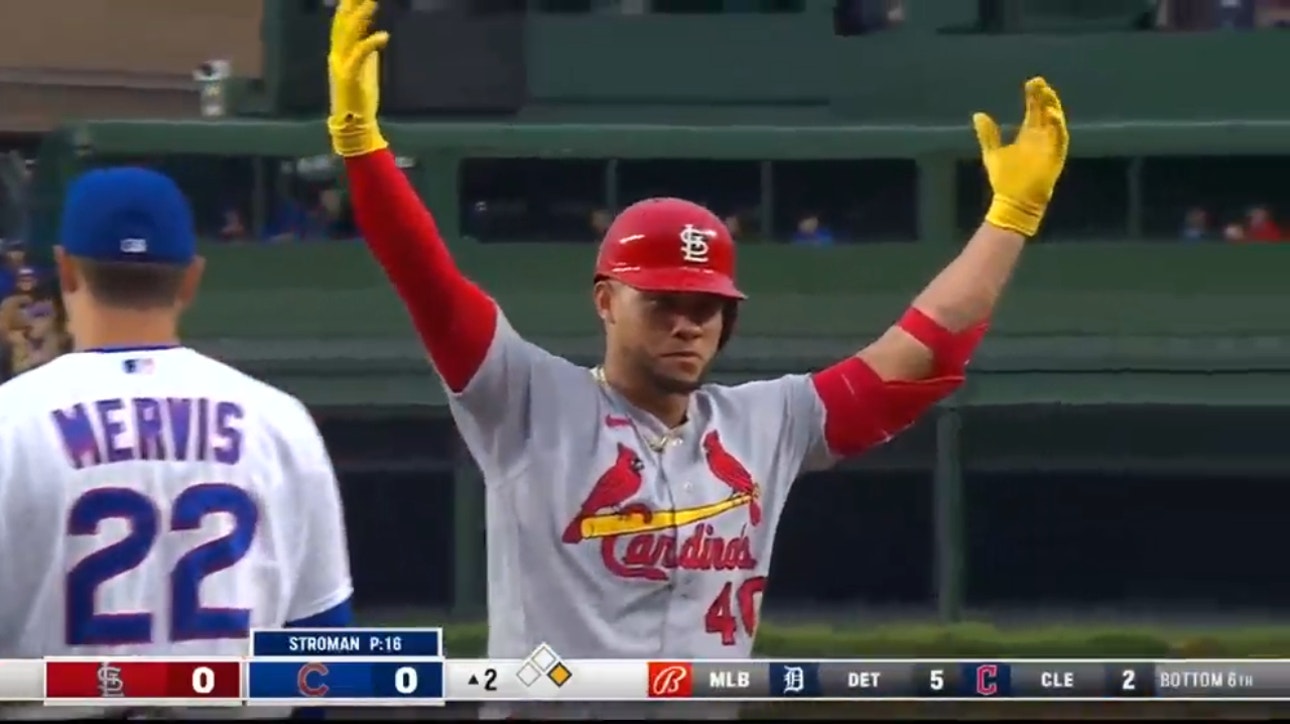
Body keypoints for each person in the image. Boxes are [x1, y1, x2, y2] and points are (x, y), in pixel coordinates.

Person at [329, 0, 1068, 718]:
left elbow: (918, 354)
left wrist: (1010, 220)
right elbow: (429, 281)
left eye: (705, 305)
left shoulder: (767, 421)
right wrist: (363, 147)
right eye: (662, 303)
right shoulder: (525, 401)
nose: (688, 324)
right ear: (606, 302)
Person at [0, 167, 354, 718]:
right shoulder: (282, 423)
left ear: (65, 270)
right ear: (190, 279)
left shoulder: (11, 423)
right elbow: (320, 650)